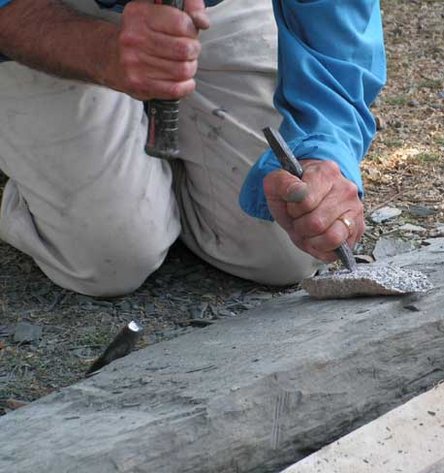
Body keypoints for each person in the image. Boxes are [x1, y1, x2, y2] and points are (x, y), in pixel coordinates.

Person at [0, 0, 386, 296]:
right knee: (110, 259)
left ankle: (164, 176)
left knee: (288, 245)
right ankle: (30, 180)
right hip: (52, 13)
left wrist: (323, 149)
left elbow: (337, 18)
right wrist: (100, 52)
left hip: (216, 10)